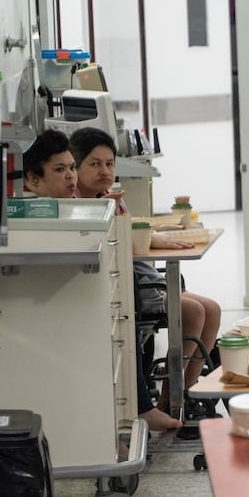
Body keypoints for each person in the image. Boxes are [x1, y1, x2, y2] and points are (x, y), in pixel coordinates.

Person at [71, 127, 222, 425]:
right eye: (95, 163)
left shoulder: (111, 198)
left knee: (212, 309)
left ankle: (182, 395)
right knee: (191, 311)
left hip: (142, 277)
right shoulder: (80, 205)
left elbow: (132, 235)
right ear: (76, 167)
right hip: (128, 285)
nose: (104, 170)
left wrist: (156, 235)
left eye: (110, 163)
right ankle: (172, 400)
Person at [23, 129, 76, 198]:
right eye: (60, 169)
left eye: (72, 168)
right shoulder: (20, 206)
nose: (71, 176)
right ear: (34, 178)